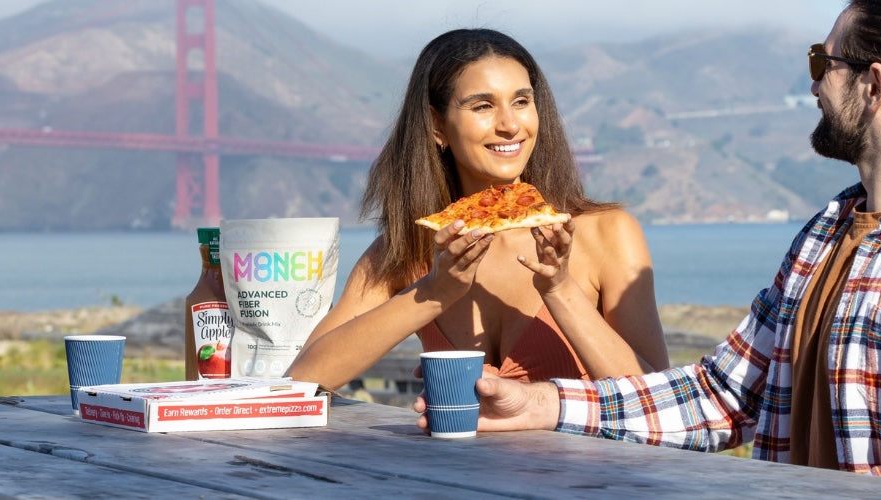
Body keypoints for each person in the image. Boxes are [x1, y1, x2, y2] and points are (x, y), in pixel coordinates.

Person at [418, 1, 881, 497]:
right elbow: (723, 397)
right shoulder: (828, 232)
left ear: (875, 84)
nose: (812, 86)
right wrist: (541, 404)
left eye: (822, 63)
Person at [286, 29, 669, 391]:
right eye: (482, 106)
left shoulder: (608, 233)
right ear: (437, 125)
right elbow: (303, 380)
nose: (509, 124)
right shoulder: (407, 249)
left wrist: (559, 289)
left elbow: (658, 402)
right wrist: (434, 292)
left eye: (522, 101)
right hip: (449, 463)